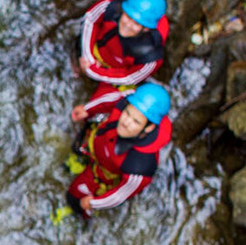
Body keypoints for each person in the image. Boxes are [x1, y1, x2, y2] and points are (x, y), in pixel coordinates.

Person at [66, 81, 172, 218]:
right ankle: (79, 161)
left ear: (149, 128)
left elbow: (119, 195)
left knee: (74, 199)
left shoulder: (140, 167)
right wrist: (88, 109)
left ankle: (80, 215)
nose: (125, 122)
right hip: (96, 143)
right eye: (127, 114)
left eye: (136, 121)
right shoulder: (128, 100)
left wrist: (94, 203)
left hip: (103, 173)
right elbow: (111, 98)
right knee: (75, 151)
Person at [78, 0, 168, 87]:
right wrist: (88, 58)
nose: (128, 25)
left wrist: (93, 71)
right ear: (123, 10)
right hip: (97, 50)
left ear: (146, 29)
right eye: (128, 17)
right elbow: (90, 20)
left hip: (116, 70)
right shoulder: (110, 7)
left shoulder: (150, 57)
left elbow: (129, 78)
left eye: (136, 24)